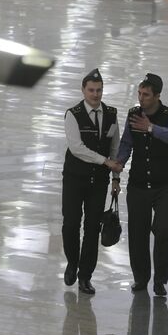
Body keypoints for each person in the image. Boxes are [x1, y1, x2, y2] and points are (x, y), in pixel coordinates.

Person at [117, 73, 168, 296]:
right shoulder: (134, 115)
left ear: (157, 96)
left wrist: (152, 128)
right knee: (137, 232)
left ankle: (160, 280)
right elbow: (126, 142)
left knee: (162, 229)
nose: (141, 98)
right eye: (139, 94)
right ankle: (141, 279)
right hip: (138, 185)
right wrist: (119, 164)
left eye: (146, 95)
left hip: (164, 186)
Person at [62, 68, 123, 295]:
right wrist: (105, 161)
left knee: (92, 228)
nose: (95, 95)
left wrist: (115, 177)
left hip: (99, 182)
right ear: (83, 90)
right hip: (74, 179)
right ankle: (72, 263)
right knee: (70, 224)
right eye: (91, 90)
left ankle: (85, 276)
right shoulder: (73, 114)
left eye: (99, 90)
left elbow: (115, 146)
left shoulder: (111, 114)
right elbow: (76, 148)